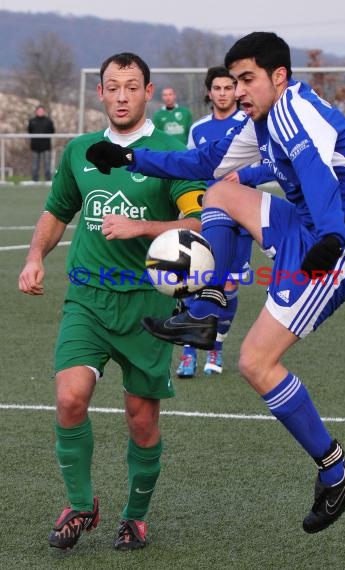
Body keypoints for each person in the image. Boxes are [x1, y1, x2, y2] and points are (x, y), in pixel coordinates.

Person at [86, 32, 345, 535]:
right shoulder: (262, 119)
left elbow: (316, 171)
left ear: (279, 76)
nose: (239, 90)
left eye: (247, 79)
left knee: (254, 361)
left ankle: (336, 471)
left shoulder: (296, 111)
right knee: (219, 193)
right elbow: (205, 165)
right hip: (313, 228)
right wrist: (132, 158)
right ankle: (205, 312)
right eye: (234, 80)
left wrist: (330, 237)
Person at [18, 52, 206, 551]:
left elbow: (198, 223)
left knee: (142, 420)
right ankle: (80, 506)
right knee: (68, 398)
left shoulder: (171, 152)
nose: (121, 95)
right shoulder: (81, 149)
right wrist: (36, 256)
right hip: (88, 298)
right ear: (100, 92)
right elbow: (56, 212)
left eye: (131, 86)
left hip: (147, 304)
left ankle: (135, 516)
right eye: (113, 86)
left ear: (148, 91)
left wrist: (142, 227)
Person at [177, 66, 274, 378]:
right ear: (209, 92)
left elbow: (268, 166)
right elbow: (189, 169)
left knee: (228, 287)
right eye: (216, 88)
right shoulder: (198, 128)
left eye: (227, 87)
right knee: (194, 284)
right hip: (204, 219)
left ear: (236, 91)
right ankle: (189, 352)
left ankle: (216, 347)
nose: (222, 93)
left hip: (240, 220)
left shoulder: (251, 123)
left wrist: (244, 176)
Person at [27, 104, 55, 182]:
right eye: (39, 111)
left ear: (44, 112)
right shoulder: (32, 121)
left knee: (47, 164)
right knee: (35, 165)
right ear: (36, 112)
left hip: (46, 146)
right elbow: (29, 131)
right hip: (35, 146)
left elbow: (52, 131)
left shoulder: (48, 121)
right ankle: (35, 180)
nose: (40, 112)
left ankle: (48, 179)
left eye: (42, 111)